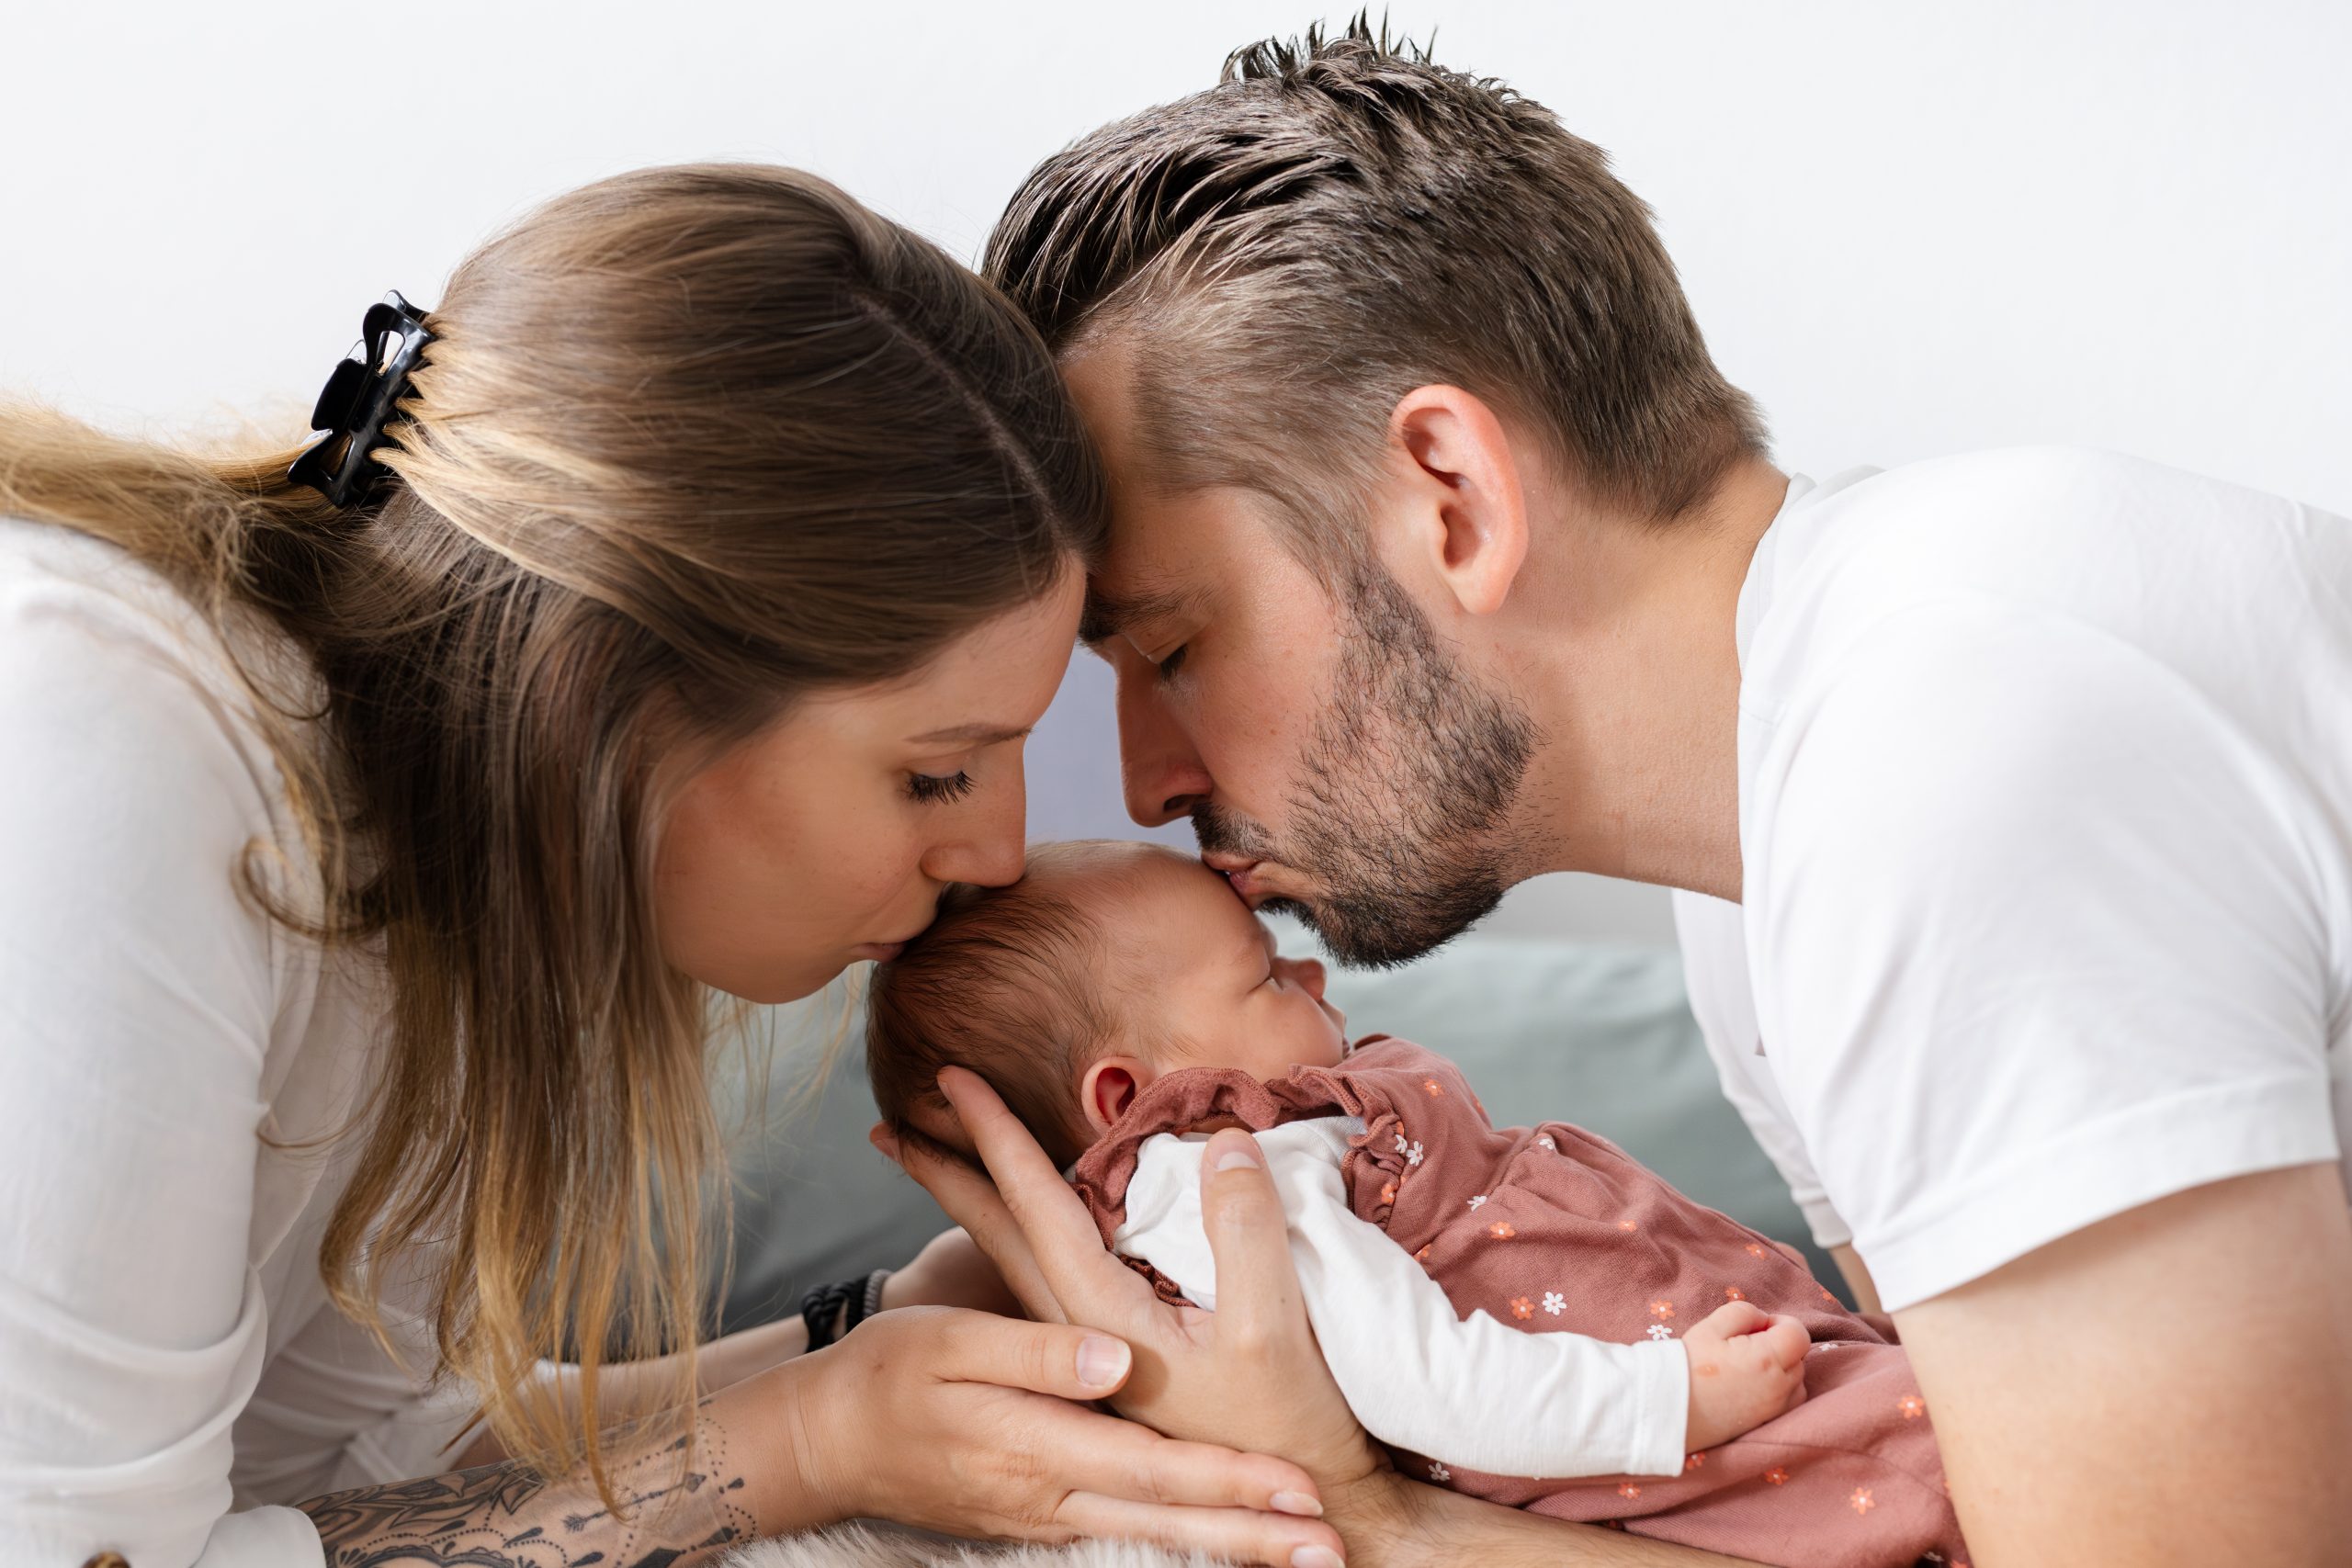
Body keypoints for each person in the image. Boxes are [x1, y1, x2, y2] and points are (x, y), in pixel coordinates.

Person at [886, 22, 2352, 1568]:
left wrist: (1347, 1511)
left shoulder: (1944, 770)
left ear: (1449, 498)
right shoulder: (1785, 843)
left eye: (1174, 645)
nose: (1144, 779)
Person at [0, 164, 1349, 1568]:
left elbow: (350, 1476)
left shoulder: (463, 887)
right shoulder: (102, 735)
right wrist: (798, 1443)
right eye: (935, 768)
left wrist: (881, 1336)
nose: (995, 849)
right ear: (619, 699)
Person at [864, 840, 1966, 1568]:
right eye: (1264, 976)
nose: (1313, 981)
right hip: (1642, 1427)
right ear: (1130, 1096)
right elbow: (1420, 1381)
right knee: (1944, 1471)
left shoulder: (1277, 1138)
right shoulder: (1219, 1178)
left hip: (1695, 1384)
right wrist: (1667, 1400)